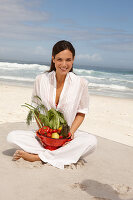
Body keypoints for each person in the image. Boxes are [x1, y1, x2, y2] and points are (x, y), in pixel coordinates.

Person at [7, 40, 97, 169]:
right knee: (12, 137)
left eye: (68, 60)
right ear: (53, 59)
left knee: (91, 142)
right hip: (45, 135)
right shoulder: (40, 79)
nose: (64, 64)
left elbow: (82, 112)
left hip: (67, 137)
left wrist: (70, 134)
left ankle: (38, 157)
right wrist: (43, 135)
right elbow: (36, 109)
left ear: (73, 60)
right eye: (59, 59)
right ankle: (60, 155)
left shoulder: (81, 83)